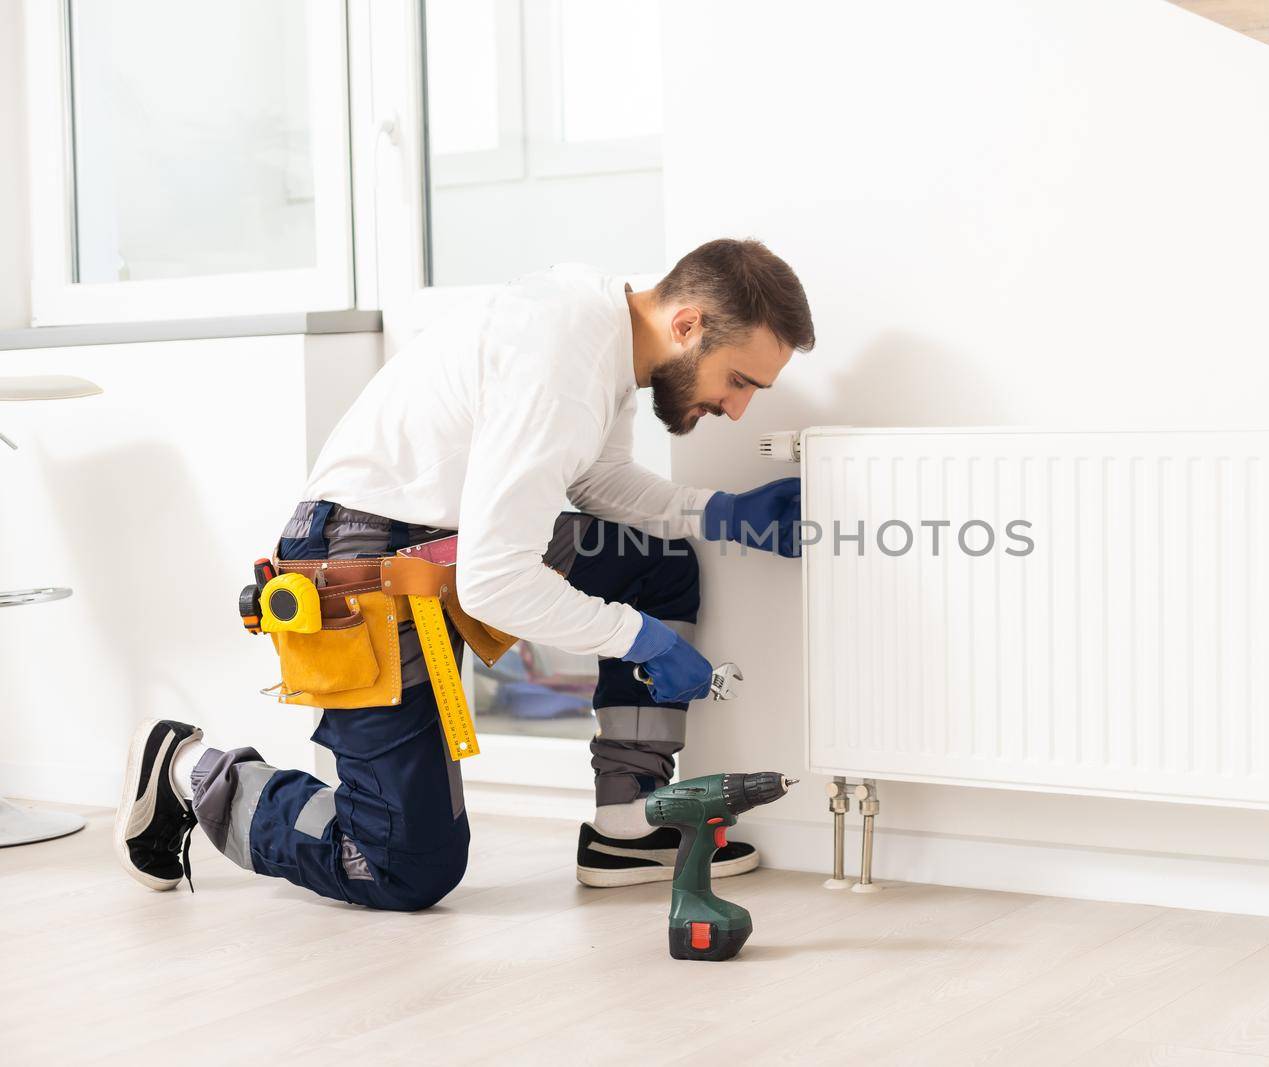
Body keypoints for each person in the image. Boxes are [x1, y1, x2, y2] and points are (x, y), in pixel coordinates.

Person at [112, 238, 814, 910]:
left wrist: (715, 511)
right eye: (739, 379)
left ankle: (628, 824)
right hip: (361, 564)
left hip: (445, 544)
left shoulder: (603, 334)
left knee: (657, 561)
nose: (738, 405)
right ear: (687, 324)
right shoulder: (564, 365)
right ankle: (190, 771)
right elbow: (497, 580)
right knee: (399, 864)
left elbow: (597, 480)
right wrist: (644, 641)